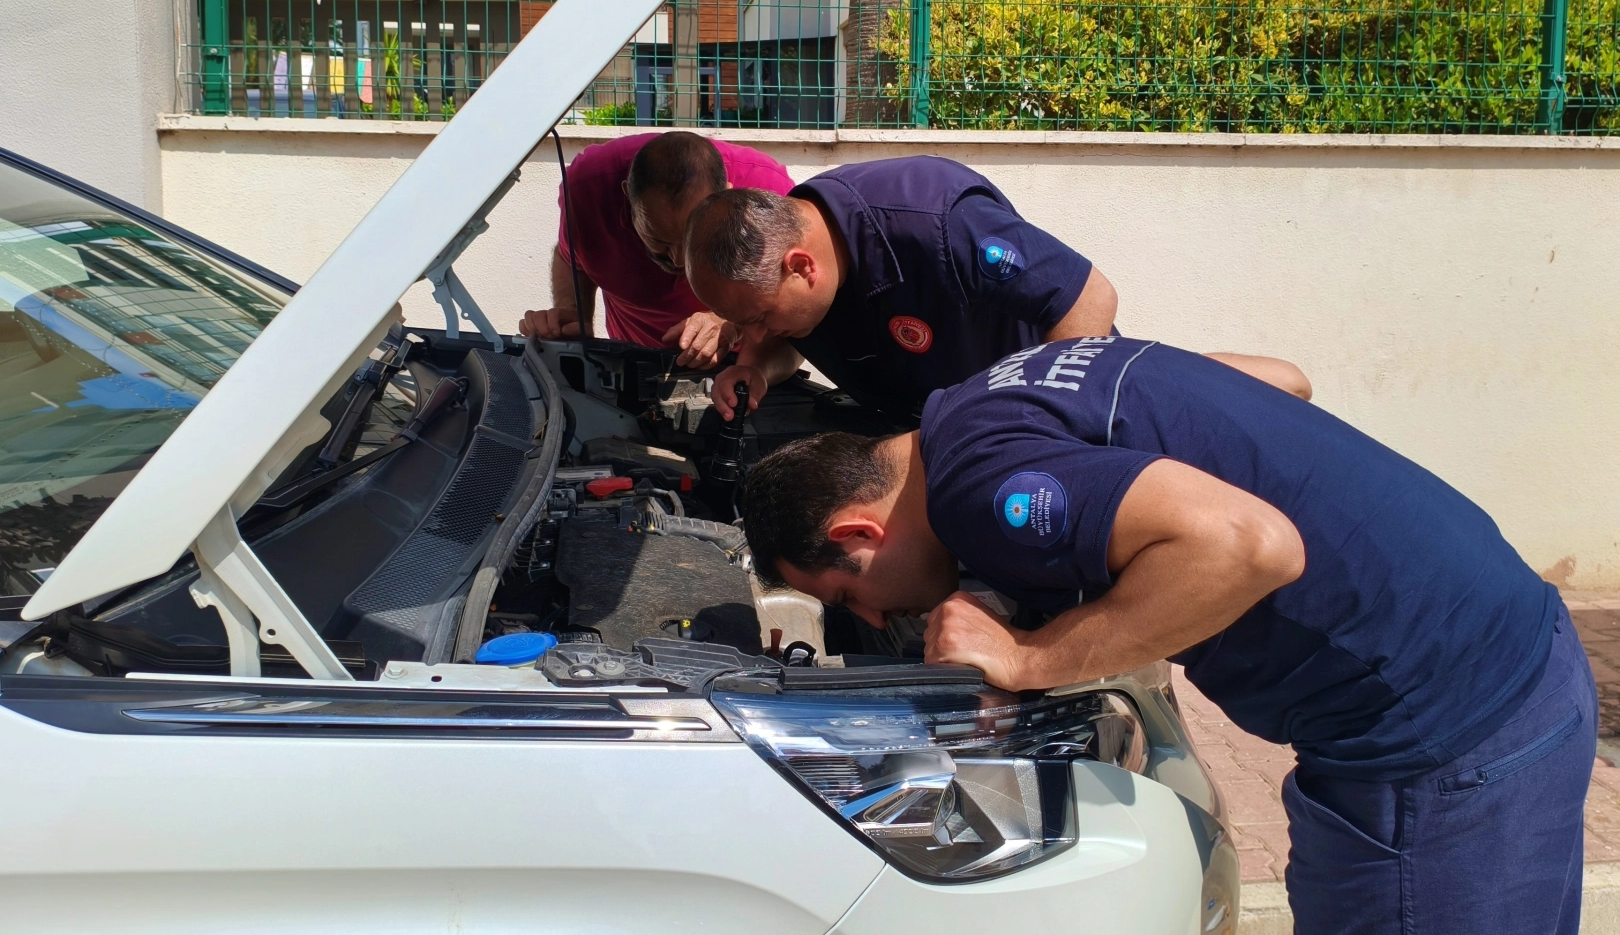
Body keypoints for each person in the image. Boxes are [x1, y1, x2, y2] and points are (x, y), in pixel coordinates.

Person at [740, 336, 1595, 934]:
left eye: (848, 595)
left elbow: (1249, 546)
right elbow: (1280, 380)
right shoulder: (990, 395)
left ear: (858, 532)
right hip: (1522, 651)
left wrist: (1032, 659)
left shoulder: (972, 489)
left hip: (1444, 738)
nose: (875, 619)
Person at [683, 155, 1309, 420]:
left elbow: (1087, 298)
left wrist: (1045, 429)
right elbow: (793, 339)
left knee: (1159, 411)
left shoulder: (934, 222)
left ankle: (1182, 379)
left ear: (802, 266)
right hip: (938, 417)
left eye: (756, 318)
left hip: (1044, 391)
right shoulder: (796, 253)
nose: (750, 332)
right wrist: (758, 368)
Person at [517, 131, 793, 368]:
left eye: (693, 240)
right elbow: (572, 256)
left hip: (743, 366)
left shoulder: (769, 193)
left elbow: (798, 309)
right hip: (634, 365)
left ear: (728, 195)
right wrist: (571, 312)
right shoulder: (588, 187)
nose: (679, 260)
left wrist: (733, 320)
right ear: (628, 197)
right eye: (659, 240)